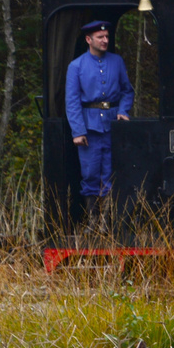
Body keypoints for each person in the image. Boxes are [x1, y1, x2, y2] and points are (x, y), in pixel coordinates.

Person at [64, 20, 134, 215]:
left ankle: (108, 223)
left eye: (107, 37)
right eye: (100, 37)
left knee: (111, 174)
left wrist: (123, 111)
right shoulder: (76, 66)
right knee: (90, 175)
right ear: (88, 39)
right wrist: (78, 131)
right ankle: (93, 224)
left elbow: (127, 91)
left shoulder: (116, 61)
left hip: (113, 126)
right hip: (89, 129)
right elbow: (72, 101)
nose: (105, 40)